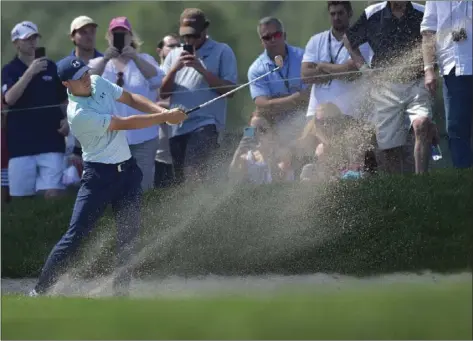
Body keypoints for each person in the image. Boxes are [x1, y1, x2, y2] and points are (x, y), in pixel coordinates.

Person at [29, 56, 187, 297]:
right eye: (79, 78)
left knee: (129, 235)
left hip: (127, 172)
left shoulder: (97, 82)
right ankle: (39, 291)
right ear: (66, 85)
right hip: (99, 178)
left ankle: (121, 292)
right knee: (75, 236)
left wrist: (162, 111)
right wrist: (165, 118)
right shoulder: (78, 113)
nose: (86, 79)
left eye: (85, 73)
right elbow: (123, 123)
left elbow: (131, 98)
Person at [343, 1, 436, 174]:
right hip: (385, 88)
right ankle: (398, 189)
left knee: (422, 125)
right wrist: (365, 70)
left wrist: (430, 71)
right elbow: (348, 40)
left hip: (417, 83)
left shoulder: (422, 12)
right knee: (390, 148)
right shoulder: (372, 13)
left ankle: (422, 183)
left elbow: (433, 42)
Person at [160, 8, 238, 185]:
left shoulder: (222, 51)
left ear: (205, 30)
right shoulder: (173, 54)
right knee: (181, 183)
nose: (189, 40)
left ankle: (201, 211)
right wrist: (174, 69)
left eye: (194, 35)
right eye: (185, 36)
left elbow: (231, 91)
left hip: (206, 124)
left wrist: (201, 69)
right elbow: (163, 93)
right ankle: (194, 211)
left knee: (194, 174)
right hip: (177, 127)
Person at [89, 17, 165, 191]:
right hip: (111, 139)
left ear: (131, 36)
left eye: (123, 34)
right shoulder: (98, 63)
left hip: (143, 136)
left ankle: (144, 216)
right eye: (115, 34)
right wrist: (105, 59)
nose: (119, 37)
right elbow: (86, 85)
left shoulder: (144, 59)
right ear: (108, 37)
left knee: (143, 186)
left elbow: (157, 81)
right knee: (114, 187)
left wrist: (135, 57)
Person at [2, 21, 69, 199]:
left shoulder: (52, 67)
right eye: (27, 39)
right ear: (16, 43)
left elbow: (65, 99)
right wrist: (30, 72)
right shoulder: (9, 70)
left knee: (53, 194)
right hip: (20, 146)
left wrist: (68, 119)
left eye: (35, 38)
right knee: (21, 200)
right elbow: (9, 99)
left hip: (51, 142)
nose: (32, 42)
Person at [421, 1, 472, 169]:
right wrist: (429, 69)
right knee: (456, 130)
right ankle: (464, 179)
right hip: (453, 69)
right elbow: (428, 32)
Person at [247, 17, 308, 133]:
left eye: (277, 35)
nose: (273, 40)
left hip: (304, 117)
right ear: (262, 42)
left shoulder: (303, 57)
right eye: (267, 37)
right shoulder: (255, 69)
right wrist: (292, 99)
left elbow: (308, 96)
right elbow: (262, 105)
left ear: (284, 36)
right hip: (275, 122)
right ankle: (244, 148)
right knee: (254, 121)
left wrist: (274, 102)